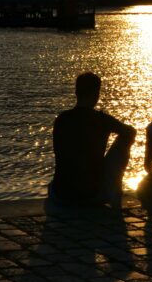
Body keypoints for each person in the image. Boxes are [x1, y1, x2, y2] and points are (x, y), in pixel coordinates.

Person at [50, 72, 136, 206]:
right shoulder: (102, 119)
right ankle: (113, 188)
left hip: (61, 193)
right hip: (92, 194)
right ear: (96, 94)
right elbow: (131, 132)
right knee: (126, 137)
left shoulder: (61, 119)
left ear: (76, 92)